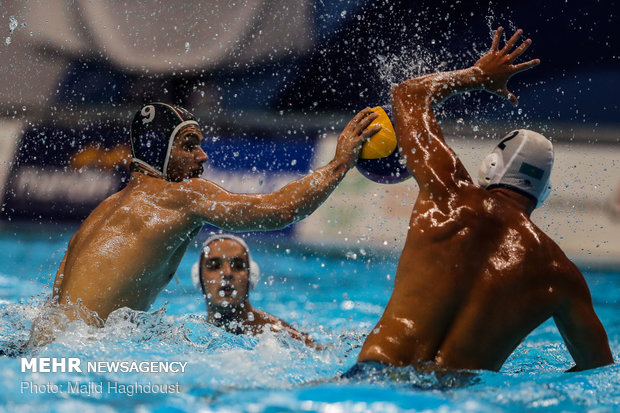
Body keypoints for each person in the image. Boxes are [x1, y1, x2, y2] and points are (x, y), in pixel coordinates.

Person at [353, 27, 614, 373]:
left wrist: (478, 76)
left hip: (376, 378)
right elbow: (598, 370)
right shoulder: (560, 274)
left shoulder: (448, 194)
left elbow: (408, 94)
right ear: (543, 194)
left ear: (490, 166)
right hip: (452, 400)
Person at [37, 103, 380, 336]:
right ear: (160, 151)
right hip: (88, 355)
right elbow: (281, 210)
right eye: (189, 145)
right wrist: (340, 163)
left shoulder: (102, 212)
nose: (202, 155)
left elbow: (53, 315)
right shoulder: (181, 196)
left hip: (45, 349)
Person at [192, 234, 318, 347]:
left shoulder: (279, 336)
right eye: (214, 266)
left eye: (238, 266)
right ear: (199, 278)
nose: (227, 273)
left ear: (251, 276)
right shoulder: (193, 333)